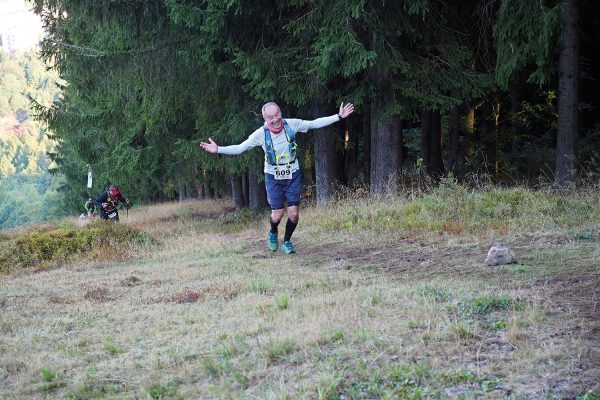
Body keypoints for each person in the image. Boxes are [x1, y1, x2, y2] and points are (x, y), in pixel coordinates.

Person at [200, 101, 355, 254]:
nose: (275, 120)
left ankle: (287, 242)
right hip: (273, 176)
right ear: (265, 119)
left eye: (277, 115)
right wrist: (218, 149)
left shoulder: (292, 124)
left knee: (294, 213)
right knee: (278, 214)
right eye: (270, 117)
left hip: (292, 173)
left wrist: (338, 116)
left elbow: (314, 123)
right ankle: (273, 231)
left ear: (281, 113)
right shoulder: (260, 134)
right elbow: (240, 148)